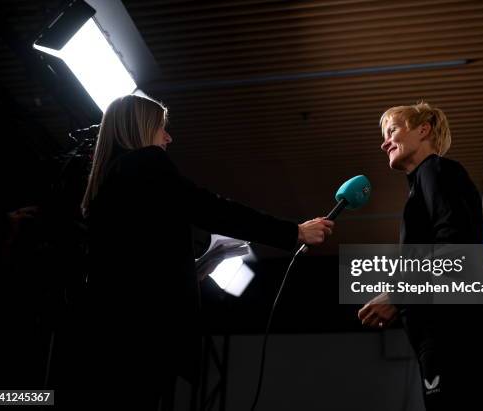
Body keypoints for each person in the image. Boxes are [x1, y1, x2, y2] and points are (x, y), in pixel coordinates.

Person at [67, 94, 333, 410]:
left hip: (108, 333)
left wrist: (189, 271)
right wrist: (294, 232)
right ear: (140, 128)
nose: (168, 137)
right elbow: (210, 208)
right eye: (161, 128)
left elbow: (131, 266)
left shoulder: (105, 183)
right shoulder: (145, 161)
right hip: (142, 337)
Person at [358, 102, 483, 410]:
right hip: (445, 341)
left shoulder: (436, 170)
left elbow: (456, 247)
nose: (384, 142)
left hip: (457, 339)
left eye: (392, 131)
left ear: (423, 130)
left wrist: (398, 296)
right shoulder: (423, 184)